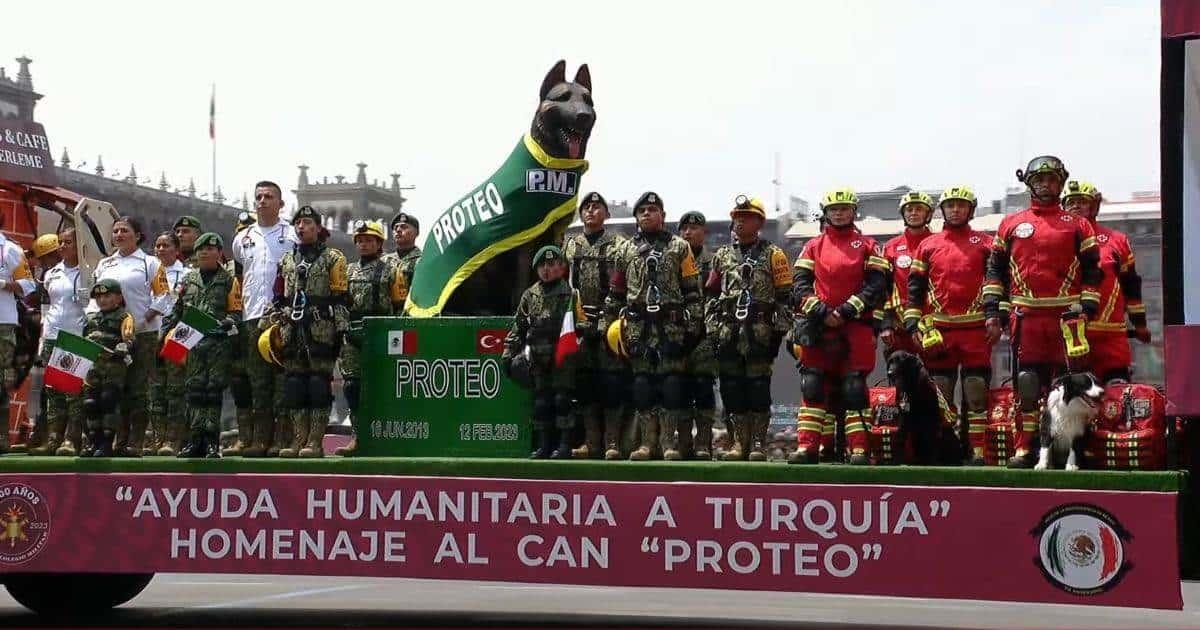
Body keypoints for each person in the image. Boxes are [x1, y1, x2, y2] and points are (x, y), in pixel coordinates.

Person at [983, 156, 1102, 469]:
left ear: (1060, 183)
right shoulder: (1010, 224)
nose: (1045, 184)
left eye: (1051, 179)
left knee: (1072, 385)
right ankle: (1025, 448)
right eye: (1039, 179)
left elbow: (1093, 271)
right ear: (1029, 183)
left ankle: (1074, 449)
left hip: (1067, 319)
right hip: (1027, 317)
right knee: (1027, 383)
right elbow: (995, 271)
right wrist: (993, 312)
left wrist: (1087, 308)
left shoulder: (1079, 224)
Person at [790, 189, 890, 465]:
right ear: (826, 212)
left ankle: (859, 448)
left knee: (854, 387)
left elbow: (877, 285)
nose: (839, 213)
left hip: (855, 325)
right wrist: (821, 311)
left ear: (853, 211)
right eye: (833, 209)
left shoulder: (869, 245)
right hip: (819, 326)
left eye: (844, 208)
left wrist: (846, 310)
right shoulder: (813, 246)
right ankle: (807, 447)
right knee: (812, 385)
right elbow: (799, 285)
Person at [606, 192, 704, 461]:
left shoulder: (680, 247)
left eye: (652, 209)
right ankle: (647, 443)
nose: (647, 214)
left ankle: (668, 443)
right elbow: (615, 293)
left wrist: (693, 329)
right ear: (636, 217)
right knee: (642, 386)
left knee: (672, 386)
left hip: (671, 327)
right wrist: (608, 327)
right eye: (642, 211)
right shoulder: (624, 250)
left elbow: (693, 292)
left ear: (663, 214)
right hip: (638, 328)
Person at [904, 186, 993, 465]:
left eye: (961, 205)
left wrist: (997, 317)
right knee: (940, 392)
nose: (956, 210)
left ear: (971, 209)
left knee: (976, 391)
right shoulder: (927, 245)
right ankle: (946, 449)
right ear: (942, 210)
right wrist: (912, 323)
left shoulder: (986, 243)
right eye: (951, 205)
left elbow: (997, 284)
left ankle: (977, 450)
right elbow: (915, 289)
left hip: (976, 330)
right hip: (938, 331)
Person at [708, 196, 792, 461]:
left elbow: (785, 298)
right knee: (731, 388)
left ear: (759, 222)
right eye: (737, 216)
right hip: (729, 331)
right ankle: (736, 443)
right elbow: (710, 294)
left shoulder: (774, 254)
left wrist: (778, 334)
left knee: (757, 389)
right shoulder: (721, 255)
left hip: (760, 331)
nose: (739, 221)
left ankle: (757, 443)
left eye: (746, 216)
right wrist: (713, 329)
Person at [269, 205, 347, 458]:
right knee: (294, 385)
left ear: (318, 226)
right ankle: (297, 439)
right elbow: (278, 294)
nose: (301, 227)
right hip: (292, 329)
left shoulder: (334, 258)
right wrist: (277, 319)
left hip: (321, 328)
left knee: (318, 385)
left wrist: (342, 332)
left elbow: (341, 297)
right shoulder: (286, 259)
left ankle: (314, 441)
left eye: (307, 223)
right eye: (298, 223)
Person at [91, 216, 168, 457]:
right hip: (110, 336)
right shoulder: (104, 265)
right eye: (115, 231)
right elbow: (94, 300)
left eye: (125, 230)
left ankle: (135, 441)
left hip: (143, 334)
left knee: (137, 389)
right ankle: (116, 441)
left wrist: (143, 320)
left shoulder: (150, 263)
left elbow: (164, 296)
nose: (119, 235)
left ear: (137, 235)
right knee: (114, 389)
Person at [562, 192, 630, 459]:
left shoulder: (619, 245)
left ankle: (612, 442)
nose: (591, 211)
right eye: (586, 207)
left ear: (607, 214)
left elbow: (627, 283)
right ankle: (591, 442)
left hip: (610, 325)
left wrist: (608, 319)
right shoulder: (569, 245)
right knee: (586, 385)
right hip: (578, 324)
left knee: (611, 384)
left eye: (597, 207)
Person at [1061, 180, 1150, 384]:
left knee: (1116, 397)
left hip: (1111, 335)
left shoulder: (1117, 240)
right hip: (1069, 333)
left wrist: (1140, 325)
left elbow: (1131, 286)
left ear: (1094, 205)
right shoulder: (1055, 240)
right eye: (1071, 202)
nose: (1076, 206)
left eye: (1082, 201)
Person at [232, 182, 297, 457]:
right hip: (252, 317)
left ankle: (282, 439)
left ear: (280, 204)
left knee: (281, 381)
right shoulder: (242, 238)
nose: (262, 201)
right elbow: (239, 274)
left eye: (268, 197)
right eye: (258, 197)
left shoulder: (292, 235)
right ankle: (260, 439)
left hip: (281, 318)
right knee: (257, 382)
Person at [501, 245, 584, 458]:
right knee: (541, 402)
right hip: (538, 357)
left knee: (562, 401)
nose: (547, 269)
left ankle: (564, 445)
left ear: (561, 267)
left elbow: (582, 324)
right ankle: (544, 445)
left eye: (552, 265)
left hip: (562, 357)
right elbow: (519, 325)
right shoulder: (530, 295)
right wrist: (508, 353)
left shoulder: (571, 293)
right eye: (543, 265)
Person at [166, 233, 242, 458]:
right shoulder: (189, 280)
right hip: (192, 343)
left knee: (212, 392)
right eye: (201, 250)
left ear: (219, 253)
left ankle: (211, 442)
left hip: (217, 344)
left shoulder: (229, 280)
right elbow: (178, 309)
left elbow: (236, 311)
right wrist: (164, 333)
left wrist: (228, 323)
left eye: (210, 249)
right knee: (194, 392)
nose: (204, 253)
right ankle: (194, 440)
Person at [335, 220, 406, 456]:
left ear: (378, 244)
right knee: (352, 386)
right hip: (353, 334)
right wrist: (344, 327)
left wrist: (394, 334)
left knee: (383, 385)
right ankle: (357, 435)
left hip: (381, 333)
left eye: (369, 240)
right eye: (360, 240)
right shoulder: (348, 270)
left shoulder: (391, 270)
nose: (364, 244)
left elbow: (399, 307)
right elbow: (340, 303)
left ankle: (386, 434)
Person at [29, 233, 83, 456]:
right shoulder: (52, 273)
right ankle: (53, 438)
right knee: (53, 391)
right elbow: (48, 308)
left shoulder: (90, 272)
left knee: (72, 390)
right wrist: (43, 338)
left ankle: (71, 439)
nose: (62, 246)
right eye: (61, 242)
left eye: (68, 242)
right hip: (52, 334)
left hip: (75, 334)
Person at [673, 210, 720, 459]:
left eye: (694, 228)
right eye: (684, 228)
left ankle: (703, 443)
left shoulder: (714, 262)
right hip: (676, 337)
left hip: (704, 336)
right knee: (678, 391)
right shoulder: (671, 261)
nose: (688, 232)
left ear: (705, 232)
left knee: (702, 389)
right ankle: (682, 443)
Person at [79, 279, 135, 458]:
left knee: (108, 401)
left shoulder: (124, 317)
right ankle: (94, 441)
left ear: (118, 298)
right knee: (90, 404)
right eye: (99, 296)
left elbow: (129, 338)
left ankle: (107, 443)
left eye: (107, 295)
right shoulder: (90, 319)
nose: (102, 300)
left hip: (113, 368)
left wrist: (125, 347)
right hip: (93, 369)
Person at [147, 231, 189, 455]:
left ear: (176, 249)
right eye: (158, 245)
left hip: (177, 335)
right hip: (151, 334)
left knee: (175, 389)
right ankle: (157, 438)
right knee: (155, 390)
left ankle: (174, 439)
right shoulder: (148, 270)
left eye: (166, 245)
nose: (161, 249)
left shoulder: (187, 274)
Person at [881, 191, 935, 357]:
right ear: (903, 214)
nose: (913, 213)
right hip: (900, 326)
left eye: (919, 209)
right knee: (901, 376)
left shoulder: (940, 243)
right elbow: (883, 288)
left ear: (928, 214)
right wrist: (886, 323)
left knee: (937, 379)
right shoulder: (890, 247)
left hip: (934, 324)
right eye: (909, 209)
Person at [0, 219, 34, 454]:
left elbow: (28, 285)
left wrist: (4, 284)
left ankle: (1, 437)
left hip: (2, 323)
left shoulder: (10, 250)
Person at [382, 212, 422, 299]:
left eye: (404, 227)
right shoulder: (383, 261)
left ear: (417, 233)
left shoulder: (423, 260)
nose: (398, 230)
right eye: (395, 228)